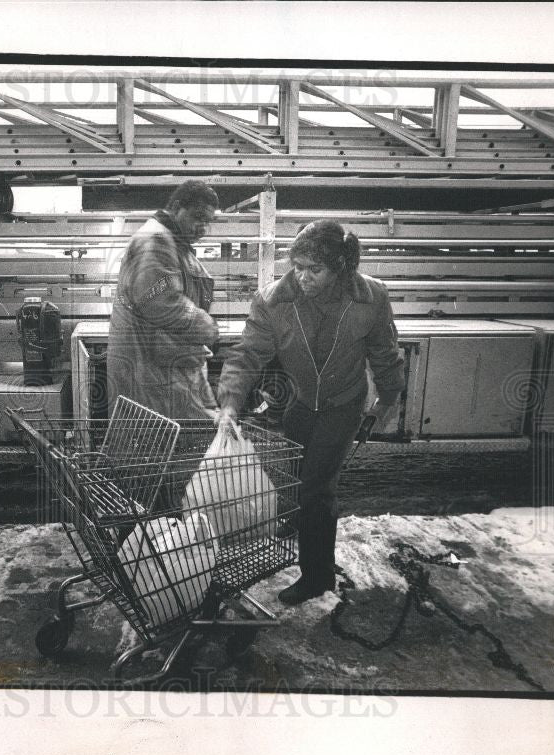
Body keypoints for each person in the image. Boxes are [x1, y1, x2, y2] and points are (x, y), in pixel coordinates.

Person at [215, 220, 405, 605]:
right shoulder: (273, 301)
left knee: (317, 490)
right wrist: (230, 402)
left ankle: (317, 576)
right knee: (300, 478)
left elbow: (385, 353)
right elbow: (248, 354)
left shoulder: (371, 299)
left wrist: (387, 398)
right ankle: (304, 520)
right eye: (298, 266)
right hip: (300, 403)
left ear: (341, 269)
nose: (303, 276)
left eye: (314, 269)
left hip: (343, 403)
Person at [106, 180, 221, 419]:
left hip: (163, 363)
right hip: (151, 371)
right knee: (160, 445)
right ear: (177, 207)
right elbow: (160, 301)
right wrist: (207, 326)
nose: (202, 228)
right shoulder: (156, 240)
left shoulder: (172, 241)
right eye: (198, 217)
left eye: (207, 222)